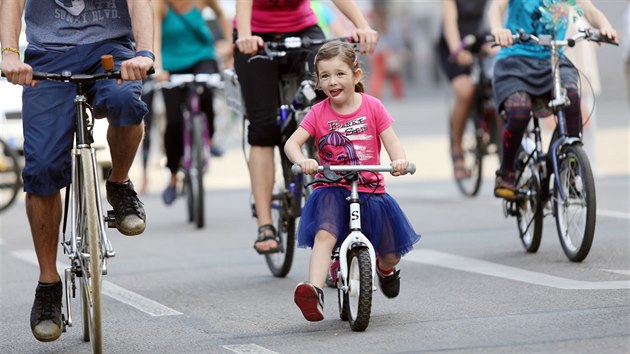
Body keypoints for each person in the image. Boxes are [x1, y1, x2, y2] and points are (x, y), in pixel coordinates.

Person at [0, 0, 153, 343]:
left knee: (127, 102)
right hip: (47, 53)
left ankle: (118, 183)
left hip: (110, 48)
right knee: (40, 169)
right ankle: (48, 284)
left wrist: (144, 52)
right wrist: (10, 53)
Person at [284, 41, 420, 321]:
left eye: (339, 74)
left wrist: (399, 161)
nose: (332, 81)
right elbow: (291, 144)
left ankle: (385, 270)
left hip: (370, 187)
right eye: (324, 76)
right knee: (325, 234)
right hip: (332, 187)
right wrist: (302, 160)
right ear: (317, 81)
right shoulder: (318, 112)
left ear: (356, 75)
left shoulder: (373, 106)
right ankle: (314, 291)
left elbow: (392, 142)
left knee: (390, 254)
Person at [233, 0, 378, 255]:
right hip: (255, 35)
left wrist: (362, 25)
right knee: (263, 128)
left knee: (330, 100)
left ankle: (336, 187)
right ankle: (265, 223)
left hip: (303, 30)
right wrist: (245, 35)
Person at [488, 0, 617, 200]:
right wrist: (498, 29)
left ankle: (572, 168)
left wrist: (604, 26)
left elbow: (589, 10)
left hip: (553, 60)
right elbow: (496, 8)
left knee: (572, 98)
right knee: (519, 113)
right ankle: (507, 172)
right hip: (515, 61)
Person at [151, 0, 232, 205]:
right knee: (174, 122)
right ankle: (172, 176)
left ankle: (209, 139)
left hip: (201, 58)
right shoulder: (160, 4)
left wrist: (227, 44)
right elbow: (155, 36)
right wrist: (157, 67)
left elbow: (222, 14)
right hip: (170, 65)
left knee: (206, 92)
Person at [437, 0, 489, 179]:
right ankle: (457, 147)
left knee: (496, 87)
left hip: (481, 40)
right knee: (465, 91)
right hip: (454, 45)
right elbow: (449, 23)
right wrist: (457, 50)